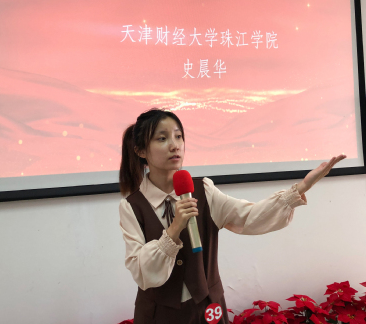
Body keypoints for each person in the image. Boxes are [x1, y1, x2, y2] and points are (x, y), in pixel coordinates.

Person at [118, 108, 346, 324]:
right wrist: (174, 229)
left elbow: (249, 216)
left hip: (208, 309)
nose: (174, 145)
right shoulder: (131, 207)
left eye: (178, 137)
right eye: (162, 138)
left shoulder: (203, 190)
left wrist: (301, 188)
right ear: (140, 151)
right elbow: (141, 271)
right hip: (158, 314)